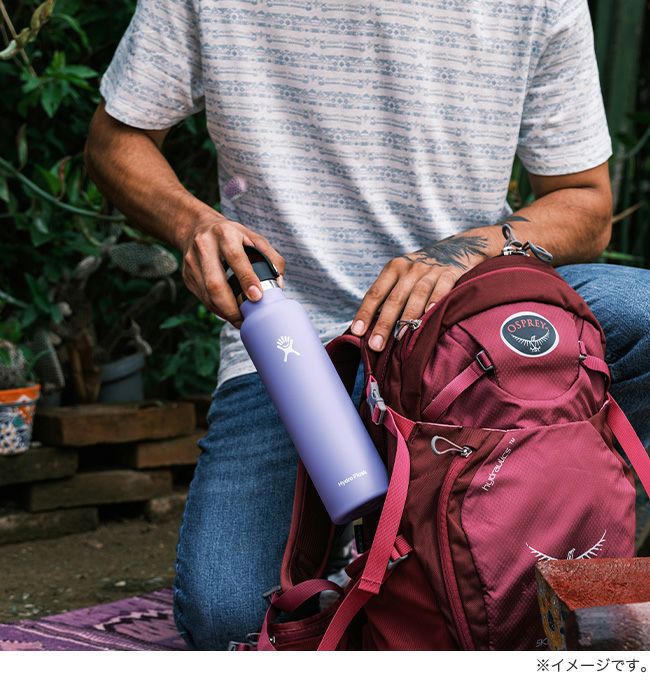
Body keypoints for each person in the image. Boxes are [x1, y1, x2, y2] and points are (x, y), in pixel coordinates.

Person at [85, 0, 650, 650]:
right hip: (294, 346)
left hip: (473, 331)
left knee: (642, 312)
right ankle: (394, 543)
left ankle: (567, 525)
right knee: (229, 619)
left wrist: (463, 253)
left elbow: (585, 202)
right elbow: (115, 140)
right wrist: (193, 224)